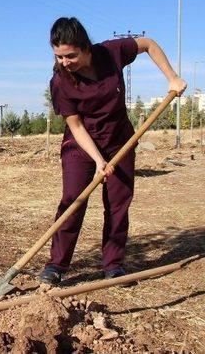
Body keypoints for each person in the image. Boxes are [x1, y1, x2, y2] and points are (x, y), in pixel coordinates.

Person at [40, 17, 187, 284]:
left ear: (85, 47)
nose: (64, 62)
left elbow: (148, 44)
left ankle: (113, 264)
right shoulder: (61, 82)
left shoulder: (110, 52)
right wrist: (98, 160)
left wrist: (172, 77)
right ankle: (57, 265)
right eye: (59, 57)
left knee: (118, 203)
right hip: (81, 145)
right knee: (73, 199)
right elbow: (75, 125)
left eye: (70, 55)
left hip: (120, 141)